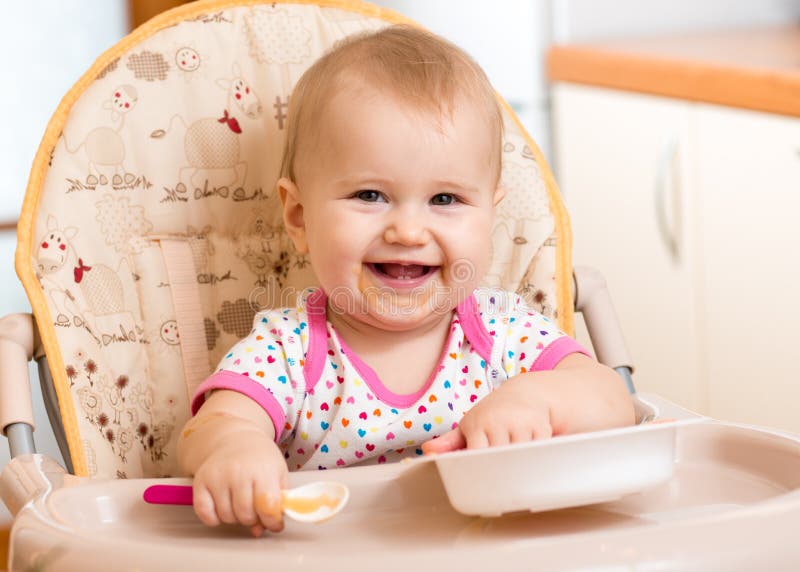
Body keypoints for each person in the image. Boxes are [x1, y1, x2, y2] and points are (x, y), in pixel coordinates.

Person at [177, 24, 635, 537]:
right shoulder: (289, 351)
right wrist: (236, 450)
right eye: (370, 195)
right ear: (300, 217)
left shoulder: (503, 333)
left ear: (489, 216)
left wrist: (537, 401)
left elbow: (612, 401)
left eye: (445, 200)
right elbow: (212, 426)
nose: (408, 231)